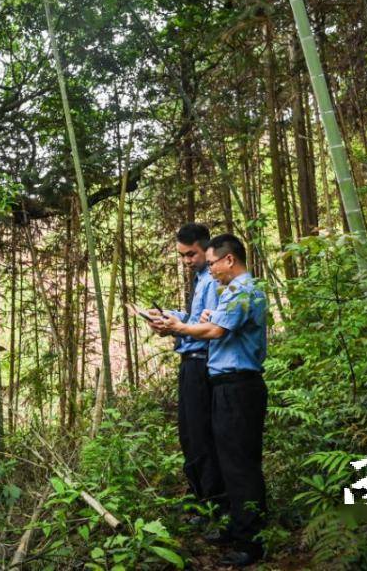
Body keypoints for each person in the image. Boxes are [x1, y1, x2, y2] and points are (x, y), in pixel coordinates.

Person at [158, 233, 268, 567]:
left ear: (228, 260)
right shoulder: (230, 294)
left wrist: (180, 327)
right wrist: (204, 320)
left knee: (240, 463)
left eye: (213, 263)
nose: (211, 269)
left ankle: (252, 541)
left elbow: (215, 333)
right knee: (226, 458)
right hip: (224, 385)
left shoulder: (243, 291)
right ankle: (236, 526)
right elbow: (216, 325)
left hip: (239, 386)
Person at [147, 223, 224, 524]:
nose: (186, 261)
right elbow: (193, 320)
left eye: (190, 254)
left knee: (201, 434)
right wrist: (170, 317)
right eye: (181, 256)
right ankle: (199, 496)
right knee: (190, 434)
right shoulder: (200, 278)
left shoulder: (214, 280)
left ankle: (210, 503)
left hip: (202, 363)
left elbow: (209, 329)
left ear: (206, 248)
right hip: (191, 361)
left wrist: (175, 328)